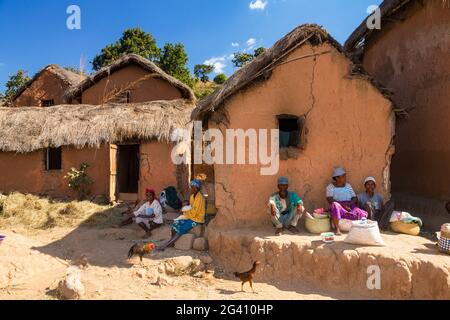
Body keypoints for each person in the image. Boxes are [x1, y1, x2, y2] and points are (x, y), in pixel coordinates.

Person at [157, 179, 206, 251]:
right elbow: (190, 208)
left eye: (192, 187)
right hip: (190, 216)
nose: (191, 189)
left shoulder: (200, 198)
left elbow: (195, 212)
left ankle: (165, 245)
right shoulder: (192, 196)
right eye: (191, 187)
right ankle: (171, 242)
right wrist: (185, 213)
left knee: (180, 229)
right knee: (175, 224)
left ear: (197, 188)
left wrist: (185, 213)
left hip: (197, 218)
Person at [326, 167, 368, 235]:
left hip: (349, 205)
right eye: (343, 176)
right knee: (335, 205)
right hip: (339, 205)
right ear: (337, 178)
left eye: (345, 176)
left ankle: (358, 228)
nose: (345, 178)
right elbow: (329, 199)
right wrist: (342, 205)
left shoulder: (348, 185)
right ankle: (337, 229)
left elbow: (354, 197)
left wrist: (349, 204)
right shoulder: (331, 187)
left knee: (359, 212)